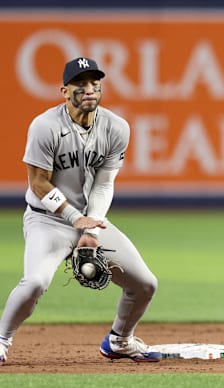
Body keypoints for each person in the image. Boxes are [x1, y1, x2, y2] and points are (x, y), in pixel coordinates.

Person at [0, 57, 161, 365]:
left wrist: (89, 228)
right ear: (64, 91)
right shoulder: (45, 126)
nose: (89, 89)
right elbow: (38, 184)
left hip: (90, 220)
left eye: (94, 83)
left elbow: (103, 185)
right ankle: (1, 339)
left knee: (144, 284)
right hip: (47, 220)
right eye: (80, 84)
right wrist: (75, 219)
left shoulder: (116, 127)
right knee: (35, 282)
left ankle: (120, 340)